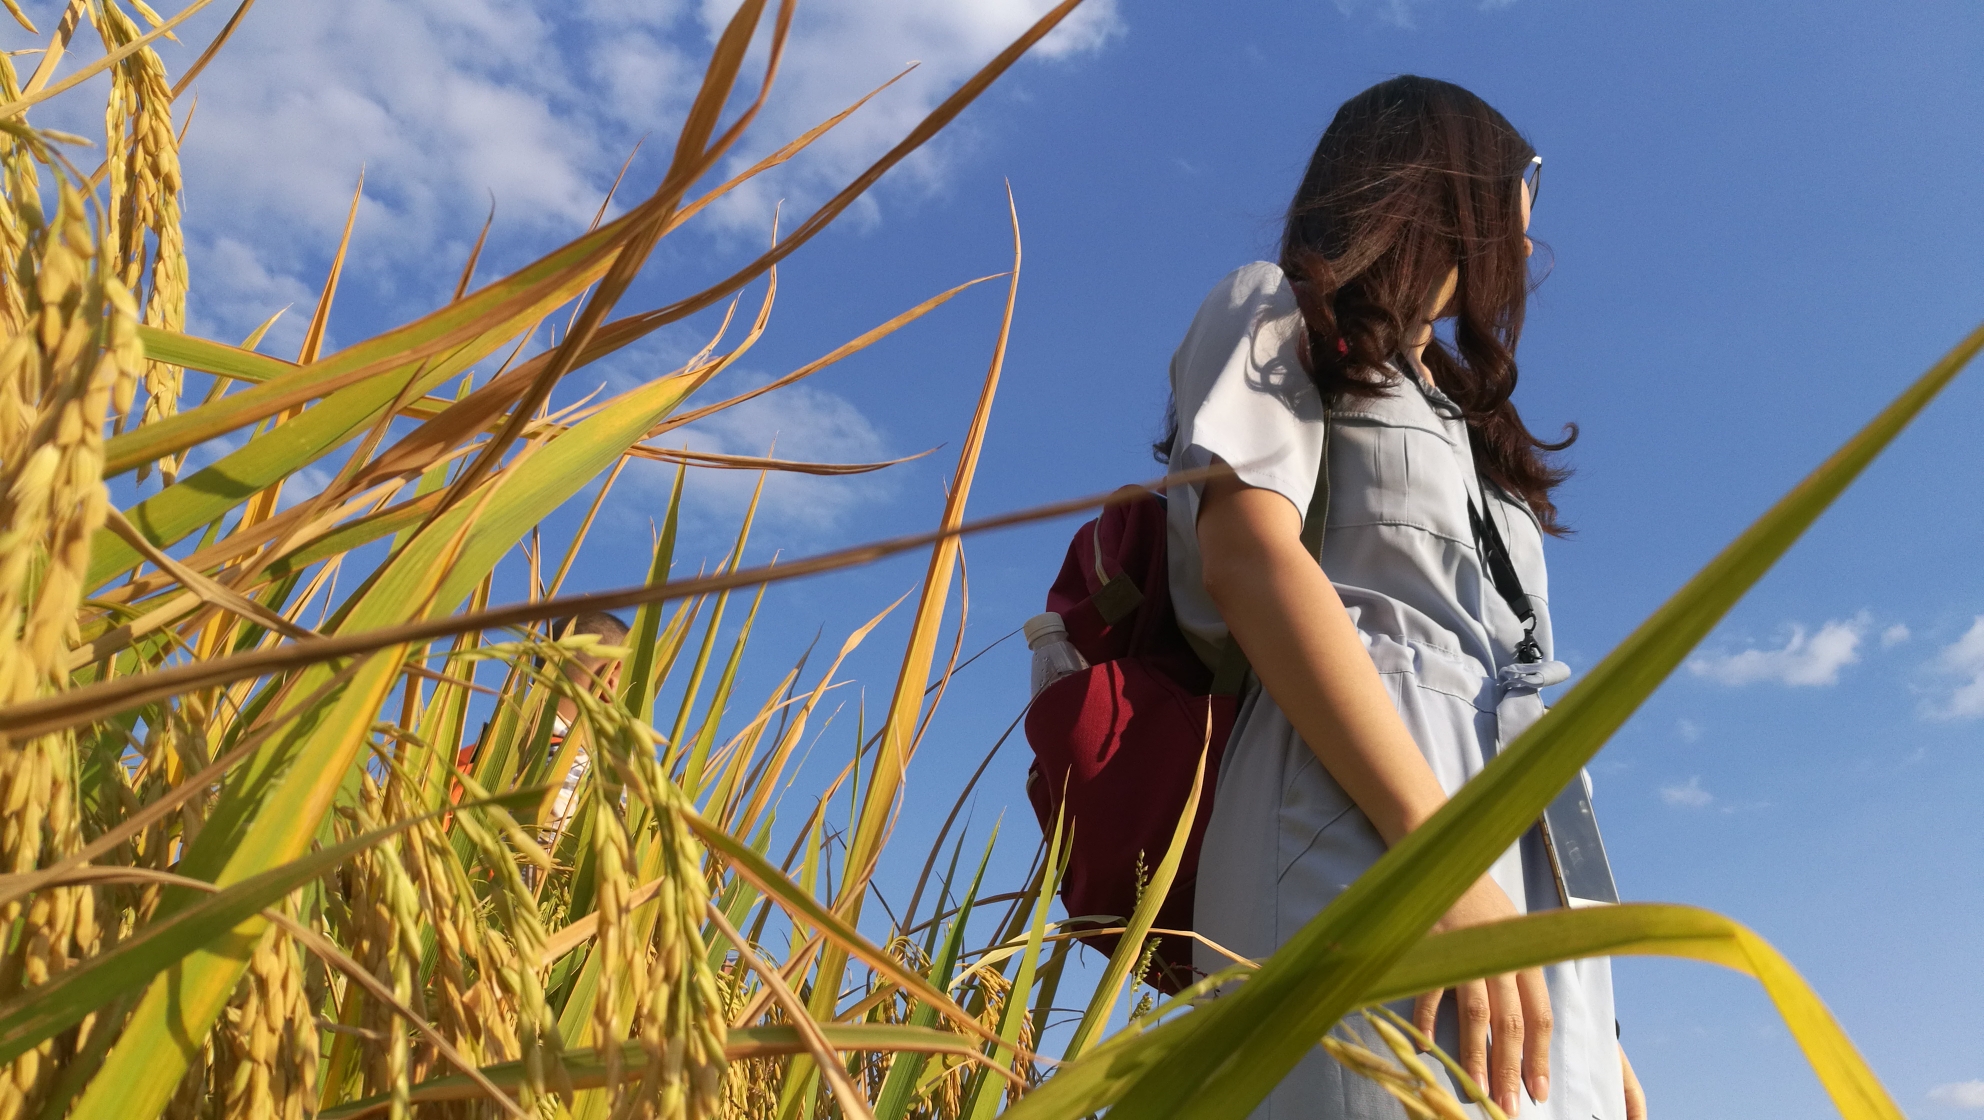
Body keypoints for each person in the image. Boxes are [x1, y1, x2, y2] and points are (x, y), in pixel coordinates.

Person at [1161, 76, 1647, 1119]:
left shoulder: (1472, 422)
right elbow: (1247, 560)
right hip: (1359, 820)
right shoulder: (1272, 310)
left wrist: (1598, 1008)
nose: (1524, 241)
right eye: (1516, 197)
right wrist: (1435, 864)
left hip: (1523, 862)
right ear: (1451, 187)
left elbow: (1530, 696)